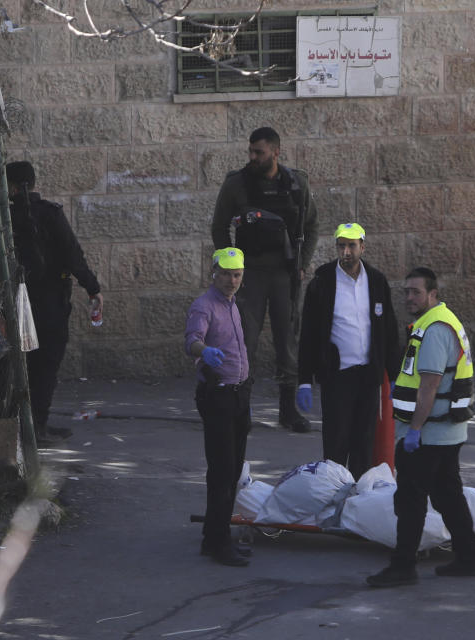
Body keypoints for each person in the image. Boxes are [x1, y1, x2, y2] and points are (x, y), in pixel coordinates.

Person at [367, 267, 475, 587]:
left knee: (410, 500)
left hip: (429, 433)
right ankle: (469, 557)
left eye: (416, 292)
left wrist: (414, 430)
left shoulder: (434, 329)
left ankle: (402, 566)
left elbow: (429, 386)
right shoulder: (442, 321)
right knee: (448, 495)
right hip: (446, 430)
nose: (409, 297)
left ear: (433, 294)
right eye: (405, 291)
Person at [211, 126, 318, 433]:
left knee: (288, 341)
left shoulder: (297, 183)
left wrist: (302, 264)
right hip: (250, 274)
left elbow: (311, 225)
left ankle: (288, 411)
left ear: (276, 152)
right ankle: (240, 410)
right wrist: (230, 266)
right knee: (245, 340)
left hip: (285, 274)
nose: (253, 157)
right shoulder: (237, 184)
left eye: (259, 152)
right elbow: (219, 227)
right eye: (251, 152)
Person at [5, 161, 104, 446]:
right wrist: (93, 288)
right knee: (46, 365)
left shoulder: (6, 217)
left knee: (25, 362)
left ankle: (26, 424)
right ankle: (37, 426)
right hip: (50, 302)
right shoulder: (49, 214)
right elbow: (73, 255)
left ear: (10, 186)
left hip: (17, 301)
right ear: (33, 183)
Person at [295, 223, 401, 479]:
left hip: (368, 376)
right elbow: (308, 334)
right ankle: (333, 495)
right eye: (341, 246)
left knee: (364, 443)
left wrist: (395, 375)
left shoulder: (376, 281)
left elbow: (388, 330)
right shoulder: (322, 283)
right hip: (337, 376)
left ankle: (358, 502)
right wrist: (304, 381)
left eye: (351, 246)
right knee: (336, 442)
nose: (346, 252)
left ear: (362, 247)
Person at [184, 248, 253, 567]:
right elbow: (191, 341)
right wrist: (205, 351)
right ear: (214, 272)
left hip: (239, 395)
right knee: (222, 470)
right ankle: (217, 541)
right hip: (218, 396)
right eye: (226, 273)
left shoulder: (234, 305)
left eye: (236, 274)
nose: (231, 280)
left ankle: (215, 536)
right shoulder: (204, 306)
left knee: (234, 469)